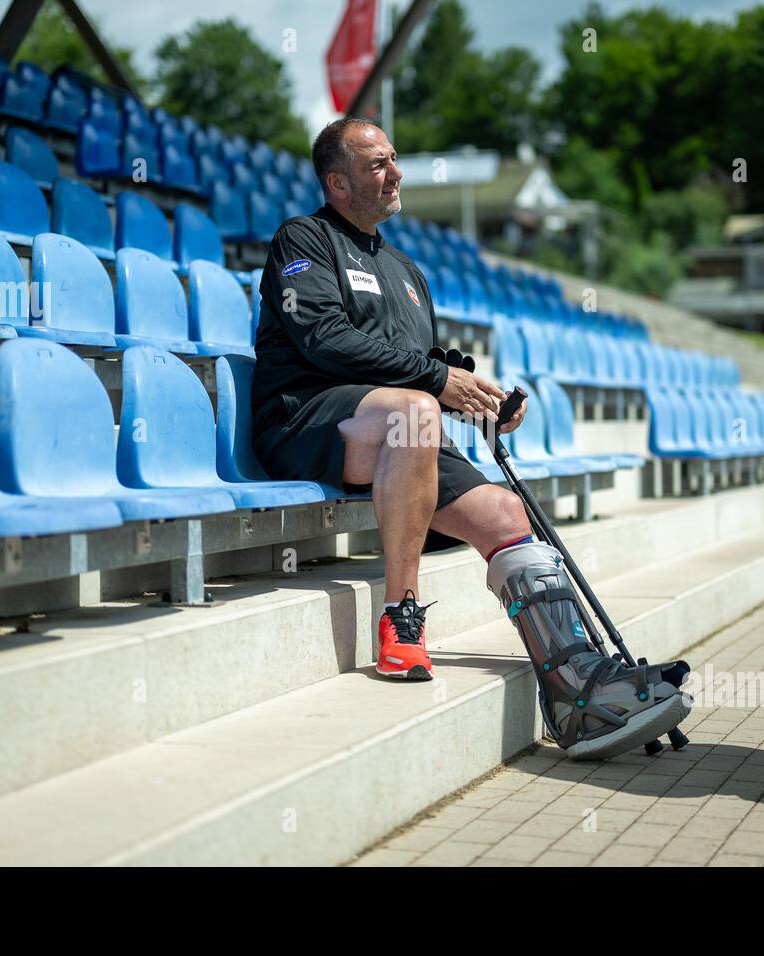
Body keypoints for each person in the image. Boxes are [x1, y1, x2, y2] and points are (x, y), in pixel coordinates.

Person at [251, 118, 690, 758]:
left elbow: (415, 368)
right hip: (305, 417)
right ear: (337, 182)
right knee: (415, 413)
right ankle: (401, 618)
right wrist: (437, 383)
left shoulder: (405, 270)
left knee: (505, 512)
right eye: (378, 165)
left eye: (395, 159)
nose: (396, 174)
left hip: (397, 424)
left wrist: (479, 401)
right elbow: (326, 340)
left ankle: (576, 687)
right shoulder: (304, 239)